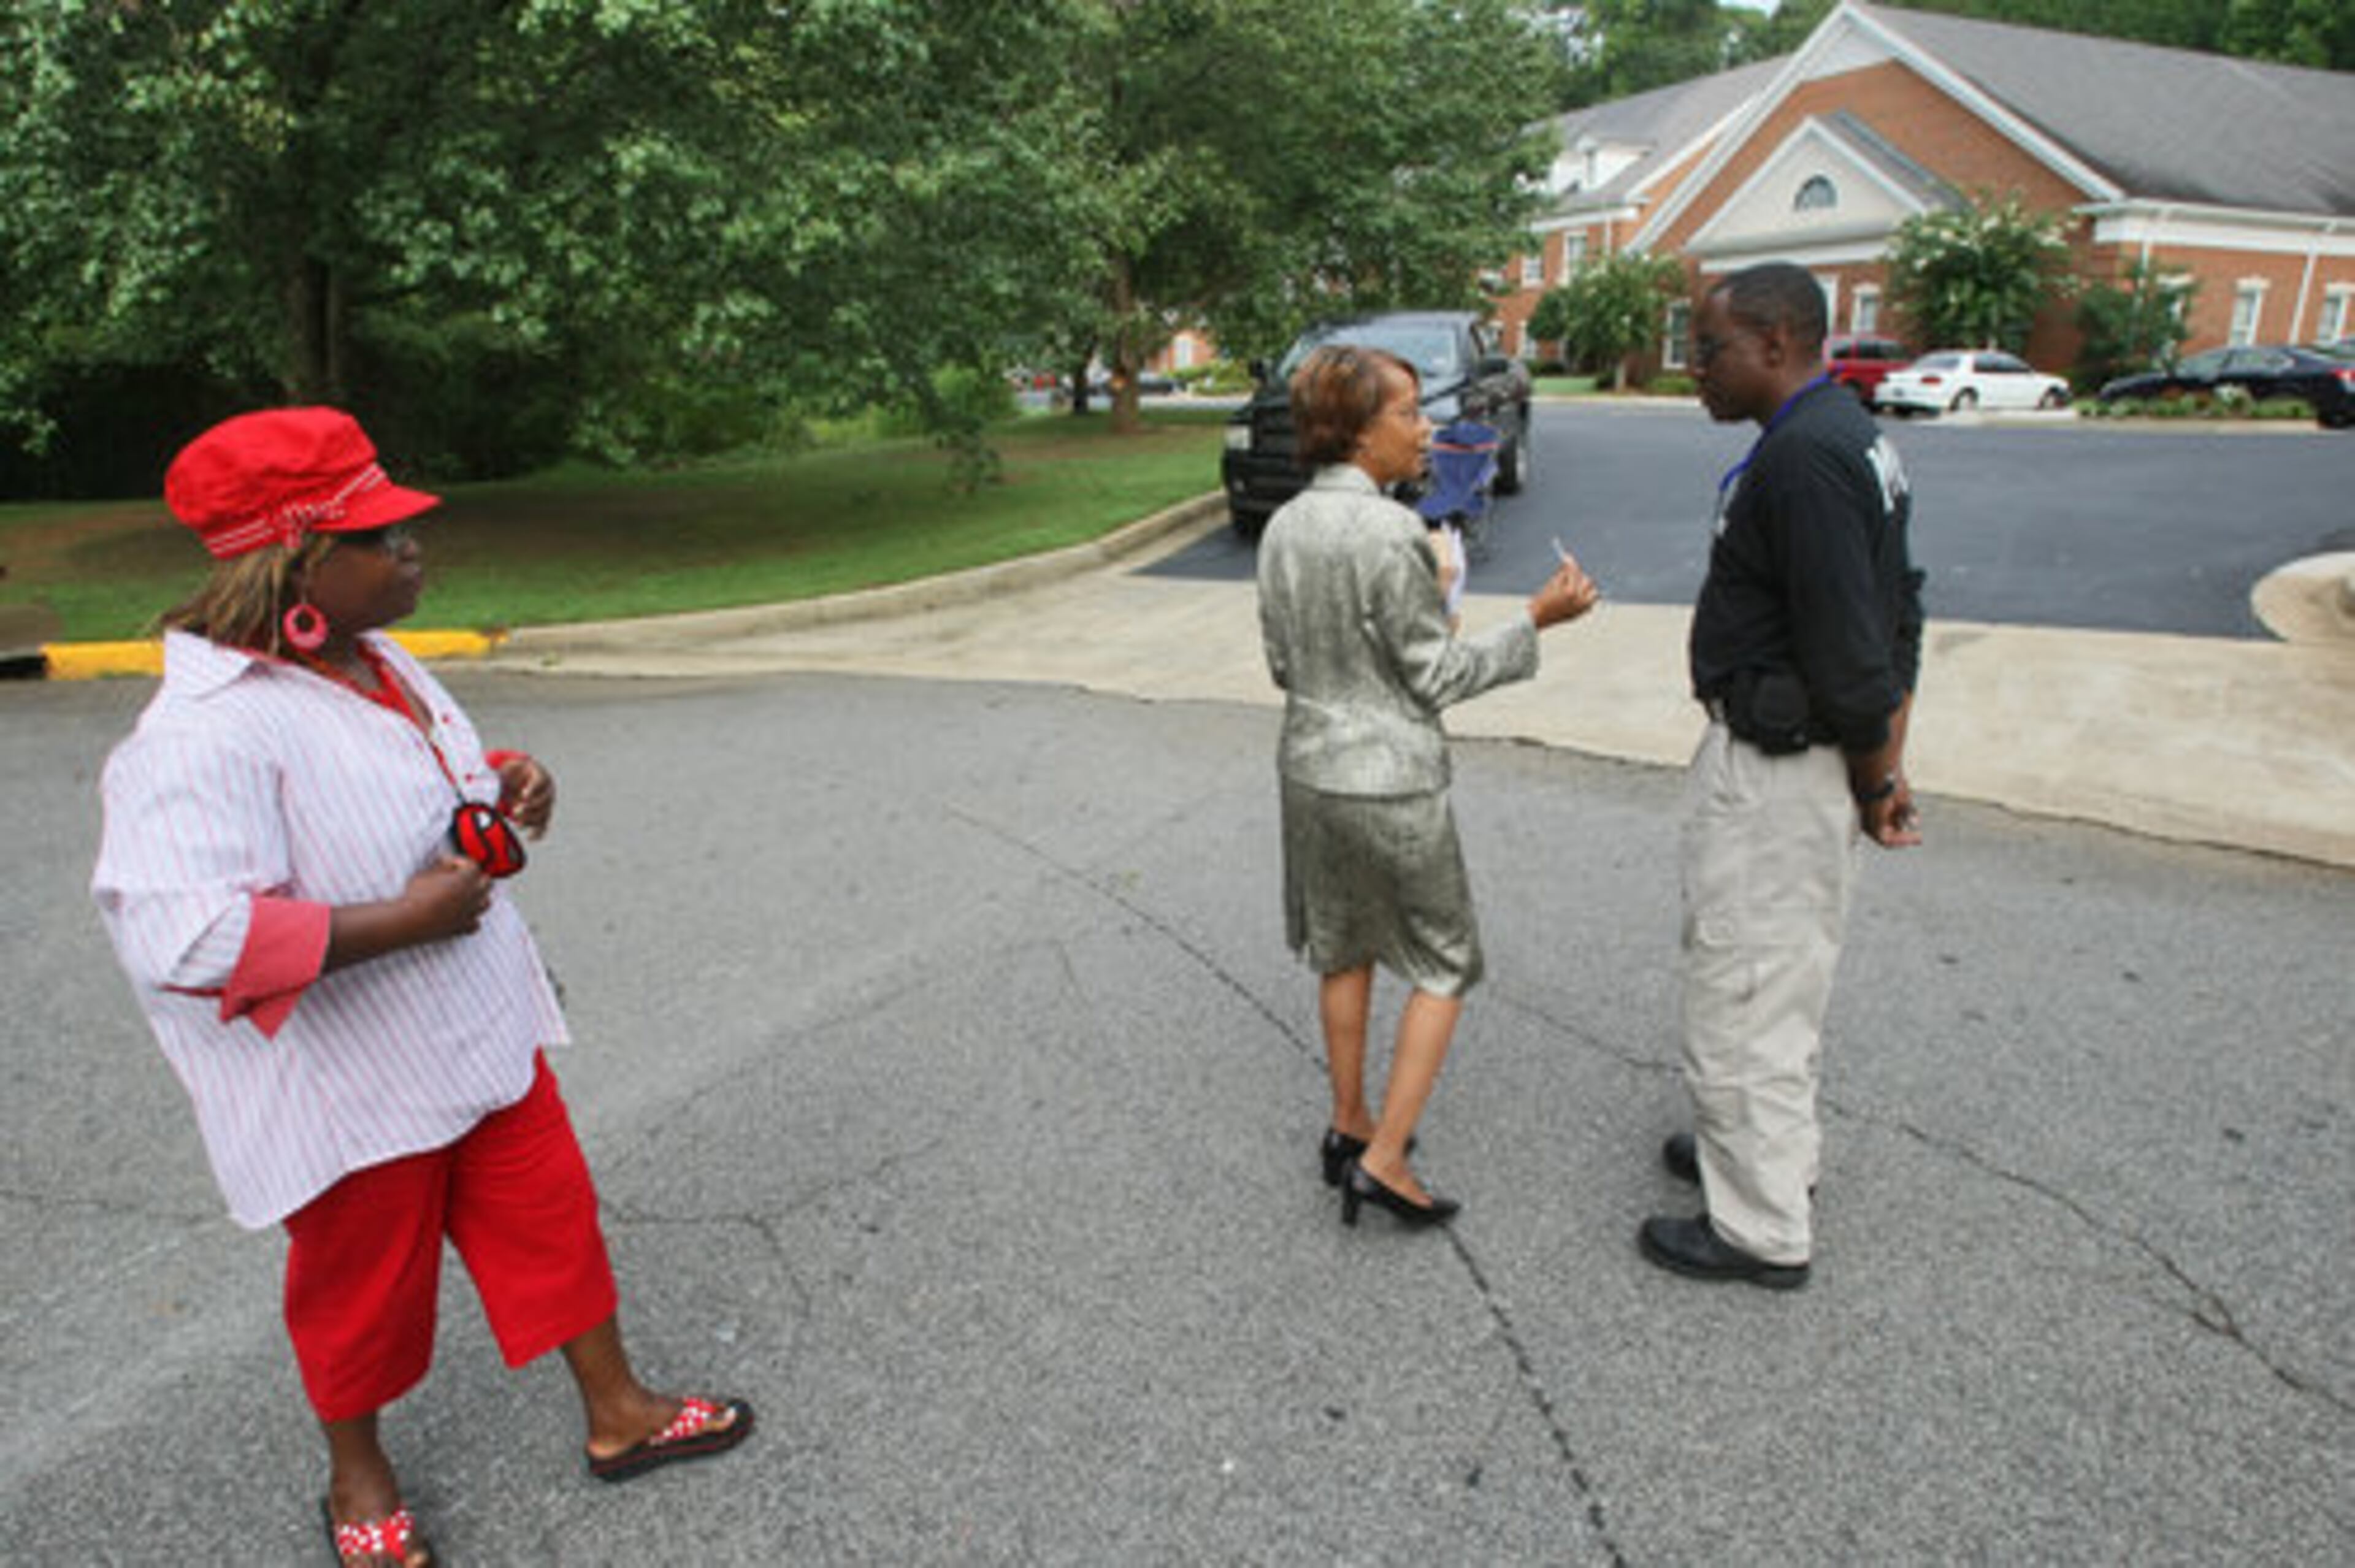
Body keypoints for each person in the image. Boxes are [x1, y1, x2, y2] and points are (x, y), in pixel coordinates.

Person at [91, 408, 752, 1567]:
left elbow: (392, 784)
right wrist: (404, 920)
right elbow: (180, 934)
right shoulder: (198, 736)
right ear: (298, 564)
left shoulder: (377, 660)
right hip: (354, 1089)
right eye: (379, 533)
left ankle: (620, 1412)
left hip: (480, 1038)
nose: (411, 548)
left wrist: (501, 777)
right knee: (361, 1297)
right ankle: (359, 1477)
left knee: (555, 1228)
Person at [1257, 345, 1599, 1229]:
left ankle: (1347, 1123)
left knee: (1343, 946)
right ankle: (1382, 1159)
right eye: (1409, 414)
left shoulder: (1285, 525)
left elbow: (1285, 662)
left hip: (1309, 769)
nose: (1428, 430)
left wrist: (1430, 601)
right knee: (1445, 963)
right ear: (1360, 432)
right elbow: (1434, 678)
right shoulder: (1390, 531)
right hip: (1391, 782)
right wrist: (1533, 619)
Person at [1639, 262, 1926, 1290]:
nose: (1696, 371)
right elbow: (1906, 608)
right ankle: (1760, 1152)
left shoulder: (1806, 461)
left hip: (1781, 769)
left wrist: (1876, 778)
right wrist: (1884, 766)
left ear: (1773, 343)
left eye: (1707, 349)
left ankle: (1758, 1226)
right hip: (1803, 763)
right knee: (1782, 976)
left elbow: (1856, 654)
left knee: (1745, 983)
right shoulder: (1842, 437)